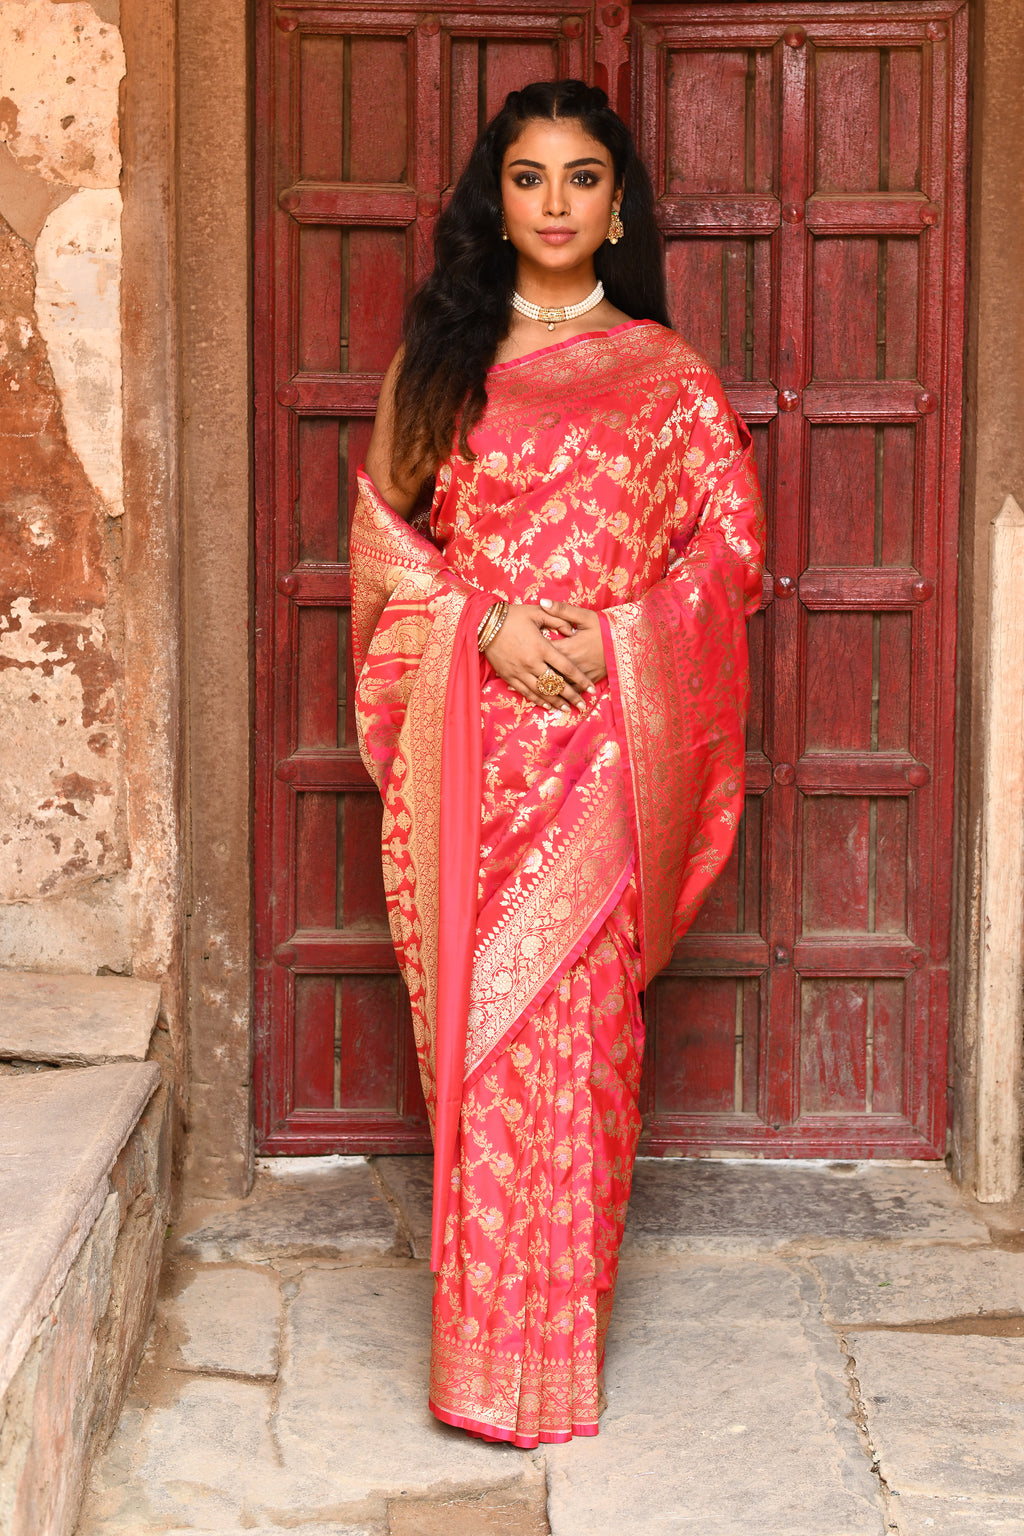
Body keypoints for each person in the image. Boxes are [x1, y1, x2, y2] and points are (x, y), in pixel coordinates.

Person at [351, 79, 764, 1448]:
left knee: (580, 1051)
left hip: (607, 762)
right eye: (527, 178)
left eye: (581, 178)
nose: (553, 204)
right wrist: (487, 625)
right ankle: (481, 1365)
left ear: (619, 203)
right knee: (489, 1054)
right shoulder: (443, 362)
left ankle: (554, 1359)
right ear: (497, 197)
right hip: (473, 755)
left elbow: (731, 561)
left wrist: (626, 634)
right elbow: (384, 559)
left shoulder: (669, 376)